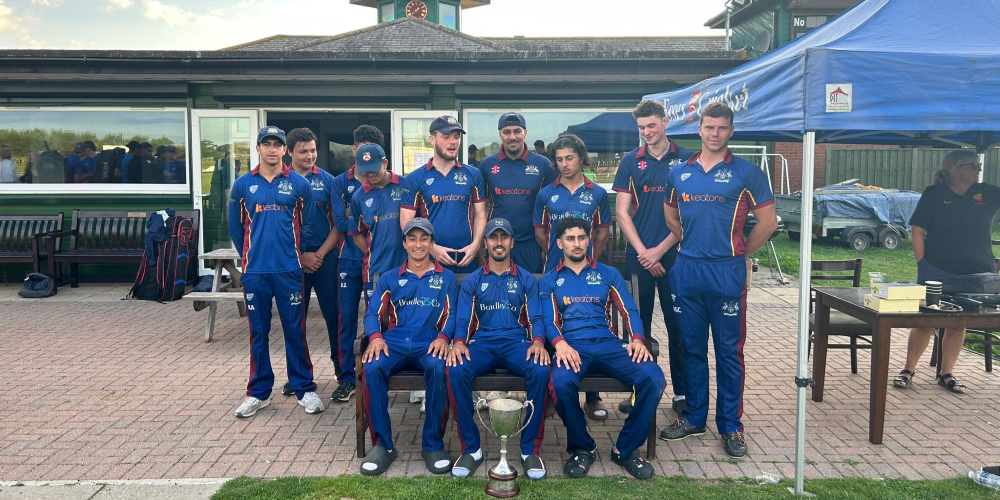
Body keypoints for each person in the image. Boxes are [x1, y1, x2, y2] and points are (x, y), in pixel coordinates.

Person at [660, 102, 777, 459]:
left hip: (726, 272)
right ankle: (694, 416)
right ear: (699, 129)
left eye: (722, 128)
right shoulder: (679, 172)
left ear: (731, 131)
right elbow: (670, 217)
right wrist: (691, 243)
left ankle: (730, 425)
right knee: (691, 347)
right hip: (687, 270)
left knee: (729, 351)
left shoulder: (747, 172)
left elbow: (768, 223)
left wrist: (740, 254)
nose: (715, 133)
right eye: (709, 127)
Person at [540, 216, 663, 480]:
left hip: (608, 344)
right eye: (570, 239)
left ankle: (626, 449)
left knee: (653, 377)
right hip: (573, 348)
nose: (576, 243)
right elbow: (549, 320)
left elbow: (629, 310)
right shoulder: (550, 280)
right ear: (559, 243)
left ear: (588, 240)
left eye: (581, 238)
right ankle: (582, 447)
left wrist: (638, 339)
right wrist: (560, 345)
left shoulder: (608, 274)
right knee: (560, 384)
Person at [227, 126, 324, 418]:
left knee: (295, 330)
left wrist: (297, 252)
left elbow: (309, 225)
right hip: (256, 272)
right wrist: (250, 257)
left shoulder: (299, 184)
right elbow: (236, 228)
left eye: (276, 145)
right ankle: (258, 393)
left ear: (284, 150)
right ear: (258, 148)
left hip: (289, 270)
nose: (272, 149)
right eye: (266, 144)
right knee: (258, 332)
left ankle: (304, 388)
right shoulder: (243, 185)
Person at [446, 217, 550, 479]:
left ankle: (529, 451)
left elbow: (536, 318)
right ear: (485, 243)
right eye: (493, 237)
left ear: (512, 242)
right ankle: (471, 449)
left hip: (517, 343)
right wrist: (458, 342)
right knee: (455, 369)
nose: (499, 242)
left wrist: (538, 341)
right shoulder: (473, 281)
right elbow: (463, 320)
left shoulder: (526, 279)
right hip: (483, 344)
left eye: (504, 237)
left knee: (540, 369)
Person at [893, 151, 1000, 394]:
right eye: (973, 165)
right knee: (925, 320)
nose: (978, 169)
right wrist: (922, 264)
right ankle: (908, 369)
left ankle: (946, 373)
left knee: (958, 322)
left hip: (979, 271)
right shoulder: (934, 193)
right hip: (936, 268)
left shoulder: (987, 192)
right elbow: (917, 229)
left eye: (979, 165)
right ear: (955, 169)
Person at [612, 100, 693, 418]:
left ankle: (683, 395)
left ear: (665, 122)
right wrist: (645, 253)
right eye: (641, 127)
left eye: (651, 125)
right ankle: (638, 391)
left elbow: (690, 213)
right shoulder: (630, 161)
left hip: (676, 256)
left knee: (679, 328)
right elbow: (622, 212)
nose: (646, 132)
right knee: (638, 329)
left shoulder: (687, 159)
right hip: (639, 257)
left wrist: (659, 250)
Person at [359, 217, 457, 476]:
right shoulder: (389, 278)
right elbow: (372, 314)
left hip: (430, 341)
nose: (418, 244)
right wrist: (375, 337)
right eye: (412, 239)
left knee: (440, 368)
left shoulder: (446, 277)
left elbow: (453, 315)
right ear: (404, 243)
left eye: (424, 239)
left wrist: (444, 338)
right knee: (372, 367)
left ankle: (432, 445)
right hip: (394, 341)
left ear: (432, 243)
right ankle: (383, 446)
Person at [279, 128, 344, 401]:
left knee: (335, 317)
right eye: (303, 151)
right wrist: (301, 255)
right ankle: (299, 376)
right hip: (293, 263)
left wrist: (318, 255)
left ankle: (342, 372)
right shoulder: (279, 182)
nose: (310, 155)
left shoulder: (328, 181)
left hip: (325, 260)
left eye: (313, 150)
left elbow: (338, 225)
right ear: (289, 152)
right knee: (295, 321)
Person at [328, 125, 384, 403]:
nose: (366, 156)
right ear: (354, 150)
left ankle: (380, 372)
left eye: (371, 150)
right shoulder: (341, 183)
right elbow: (341, 223)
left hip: (380, 262)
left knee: (381, 318)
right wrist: (362, 217)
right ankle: (347, 378)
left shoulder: (386, 183)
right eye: (362, 148)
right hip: (350, 261)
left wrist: (358, 215)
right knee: (347, 319)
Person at [401, 115, 486, 274]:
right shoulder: (415, 178)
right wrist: (431, 248)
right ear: (432, 140)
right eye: (446, 137)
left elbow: (480, 214)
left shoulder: (473, 174)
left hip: (466, 260)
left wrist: (475, 246)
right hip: (429, 262)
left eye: (456, 137)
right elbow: (406, 221)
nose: (453, 142)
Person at [479, 112, 557, 274]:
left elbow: (552, 210)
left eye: (517, 131)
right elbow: (478, 210)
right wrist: (480, 248)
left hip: (531, 245)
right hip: (497, 244)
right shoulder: (487, 165)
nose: (512, 137)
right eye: (507, 132)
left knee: (530, 288)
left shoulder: (543, 165)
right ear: (500, 134)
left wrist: (546, 247)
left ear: (525, 133)